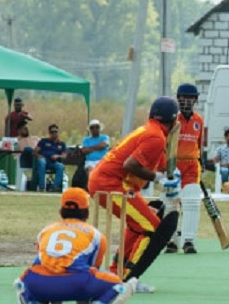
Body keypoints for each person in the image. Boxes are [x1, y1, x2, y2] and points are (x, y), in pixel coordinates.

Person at [15, 187, 136, 304]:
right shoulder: (96, 234)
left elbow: (43, 264)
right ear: (86, 213)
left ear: (61, 211)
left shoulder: (45, 231)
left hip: (42, 283)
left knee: (22, 282)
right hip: (77, 283)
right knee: (119, 285)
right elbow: (91, 269)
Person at [87, 96, 181, 291]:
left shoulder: (151, 130)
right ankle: (129, 278)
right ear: (172, 119)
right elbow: (130, 164)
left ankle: (116, 273)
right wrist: (158, 179)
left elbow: (161, 163)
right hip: (110, 183)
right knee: (151, 227)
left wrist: (171, 174)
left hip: (108, 181)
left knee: (138, 225)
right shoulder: (156, 136)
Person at [170, 82, 206, 255]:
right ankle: (171, 241)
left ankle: (189, 241)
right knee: (171, 202)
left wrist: (203, 162)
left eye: (190, 98)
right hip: (173, 164)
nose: (187, 101)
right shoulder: (171, 118)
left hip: (192, 165)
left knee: (191, 202)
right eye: (183, 97)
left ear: (196, 100)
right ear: (178, 99)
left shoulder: (199, 120)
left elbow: (200, 145)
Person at [35, 123, 68, 192]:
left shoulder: (61, 144)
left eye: (55, 131)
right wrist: (39, 156)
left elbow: (64, 155)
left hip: (53, 162)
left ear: (58, 132)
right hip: (44, 159)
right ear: (49, 133)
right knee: (42, 162)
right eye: (52, 132)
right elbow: (35, 152)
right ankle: (42, 187)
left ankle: (54, 187)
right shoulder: (44, 141)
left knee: (61, 166)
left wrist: (58, 156)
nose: (54, 133)